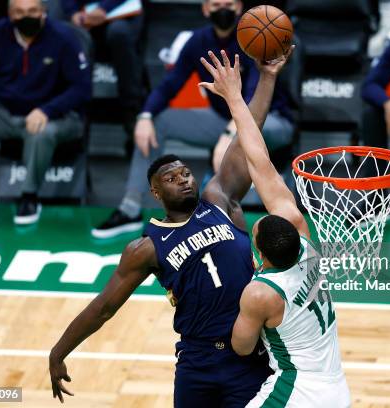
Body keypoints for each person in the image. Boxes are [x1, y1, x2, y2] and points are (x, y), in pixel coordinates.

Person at [49, 48, 294, 406]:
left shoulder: (219, 201)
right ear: (155, 191)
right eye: (171, 177)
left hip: (248, 356)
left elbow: (248, 137)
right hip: (196, 363)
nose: (183, 180)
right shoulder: (145, 248)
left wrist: (267, 77)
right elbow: (104, 307)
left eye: (186, 173)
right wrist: (58, 351)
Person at [198, 50, 351, 406]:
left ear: (260, 254)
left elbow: (241, 346)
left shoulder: (260, 294)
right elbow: (259, 162)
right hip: (335, 386)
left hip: (298, 393)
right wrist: (237, 98)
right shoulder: (306, 244)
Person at [90, 0, 294, 239]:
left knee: (240, 136)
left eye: (228, 4)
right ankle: (130, 208)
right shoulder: (198, 41)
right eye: (216, 4)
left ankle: (229, 213)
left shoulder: (252, 37)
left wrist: (231, 135)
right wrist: (145, 116)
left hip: (271, 121)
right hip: (223, 120)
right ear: (205, 9)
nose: (222, 9)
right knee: (157, 123)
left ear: (239, 7)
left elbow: (250, 100)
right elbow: (170, 84)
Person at [0, 0, 91, 224]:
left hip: (59, 115)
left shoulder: (64, 38)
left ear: (44, 12)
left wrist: (47, 110)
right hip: (6, 111)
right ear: (10, 14)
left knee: (41, 133)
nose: (27, 17)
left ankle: (29, 196)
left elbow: (82, 88)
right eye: (20, 12)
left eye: (32, 11)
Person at [60, 0, 146, 135]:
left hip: (123, 9)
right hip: (84, 11)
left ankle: (133, 110)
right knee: (73, 34)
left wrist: (103, 9)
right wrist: (73, 12)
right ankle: (74, 112)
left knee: (119, 33)